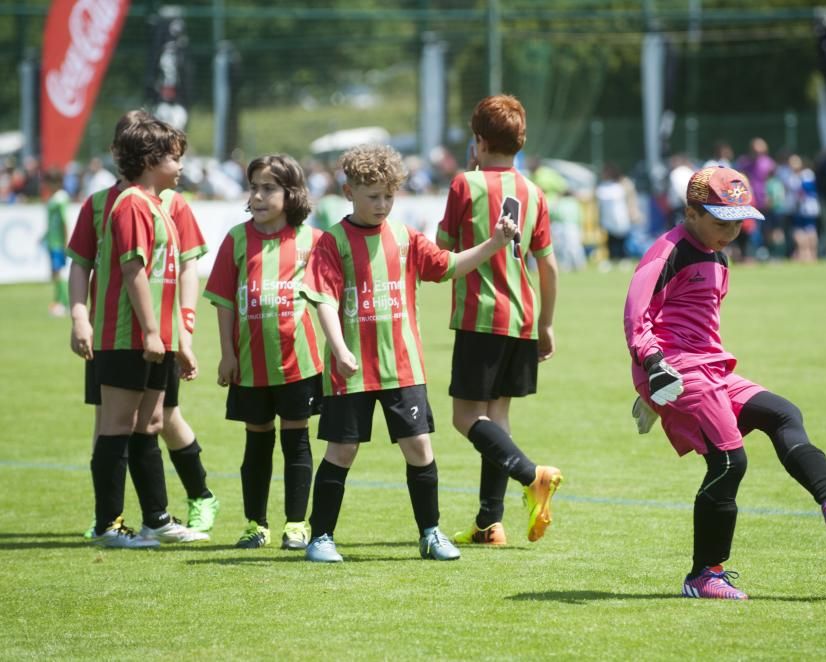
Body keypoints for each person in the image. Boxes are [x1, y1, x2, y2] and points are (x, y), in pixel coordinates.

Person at [624, 165, 826, 600]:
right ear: (691, 213)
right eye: (721, 221)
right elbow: (638, 317)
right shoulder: (666, 252)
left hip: (711, 368)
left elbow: (701, 325)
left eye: (738, 222)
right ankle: (703, 575)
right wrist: (653, 368)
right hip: (675, 368)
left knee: (783, 414)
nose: (731, 231)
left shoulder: (719, 258)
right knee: (729, 461)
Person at [296, 143, 519, 563]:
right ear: (349, 193)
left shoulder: (405, 237)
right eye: (372, 196)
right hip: (352, 369)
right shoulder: (333, 242)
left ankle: (430, 534)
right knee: (341, 452)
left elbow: (449, 265)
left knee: (419, 449)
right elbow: (322, 299)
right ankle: (320, 536)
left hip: (403, 368)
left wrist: (494, 243)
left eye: (388, 196)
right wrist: (340, 348)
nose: (382, 205)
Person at [68, 111, 221, 540]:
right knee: (115, 425)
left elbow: (180, 271)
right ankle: (108, 524)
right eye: (175, 157)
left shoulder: (161, 205)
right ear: (151, 160)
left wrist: (178, 335)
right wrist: (152, 331)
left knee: (150, 423)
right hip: (125, 336)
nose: (182, 165)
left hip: (158, 336)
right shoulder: (132, 203)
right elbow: (134, 270)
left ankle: (156, 519)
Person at [436, 94, 562, 547]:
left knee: (465, 417)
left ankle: (533, 476)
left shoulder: (464, 185)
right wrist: (546, 324)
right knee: (496, 418)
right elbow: (547, 265)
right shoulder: (534, 192)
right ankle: (491, 523)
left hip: (481, 314)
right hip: (524, 316)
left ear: (479, 140)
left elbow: (442, 249)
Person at [204, 153, 325, 550]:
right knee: (256, 444)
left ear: (291, 192)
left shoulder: (312, 240)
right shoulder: (237, 239)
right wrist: (227, 354)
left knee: (296, 442)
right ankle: (256, 524)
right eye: (253, 186)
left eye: (268, 187)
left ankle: (296, 524)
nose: (257, 195)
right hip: (250, 365)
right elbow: (223, 300)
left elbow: (329, 298)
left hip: (299, 362)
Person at [596, 162, 642, 266]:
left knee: (623, 239)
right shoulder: (604, 186)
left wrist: (632, 211)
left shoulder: (624, 183)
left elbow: (631, 199)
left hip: (622, 215)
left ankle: (625, 258)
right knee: (610, 239)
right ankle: (612, 258)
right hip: (608, 218)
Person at [43, 168, 70, 317]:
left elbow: (64, 221)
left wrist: (66, 241)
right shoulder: (53, 198)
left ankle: (64, 303)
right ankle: (58, 301)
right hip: (51, 241)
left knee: (58, 272)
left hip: (58, 242)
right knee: (55, 273)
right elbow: (51, 222)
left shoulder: (61, 198)